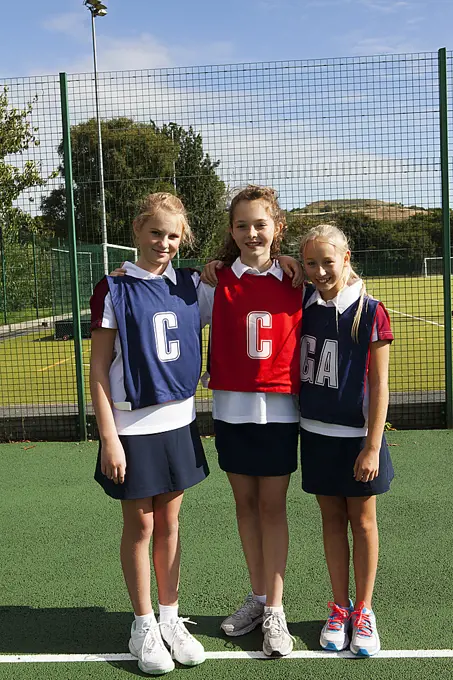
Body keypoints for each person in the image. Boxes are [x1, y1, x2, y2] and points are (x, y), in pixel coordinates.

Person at [90, 193, 209, 675]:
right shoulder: (112, 289)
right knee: (140, 526)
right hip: (131, 426)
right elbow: (99, 369)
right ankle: (142, 625)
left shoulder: (192, 284)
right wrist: (109, 437)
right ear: (137, 230)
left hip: (179, 422)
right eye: (156, 232)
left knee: (171, 525)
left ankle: (170, 618)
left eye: (174, 236)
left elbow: (247, 271)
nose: (164, 243)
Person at [201, 185, 303, 657]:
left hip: (280, 410)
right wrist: (123, 275)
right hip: (231, 410)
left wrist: (301, 265)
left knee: (271, 508)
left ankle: (276, 612)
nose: (250, 233)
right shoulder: (216, 280)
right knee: (245, 507)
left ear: (276, 228)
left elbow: (339, 277)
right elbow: (166, 296)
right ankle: (259, 598)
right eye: (241, 225)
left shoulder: (296, 280)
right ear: (231, 230)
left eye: (260, 224)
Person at [298, 224, 394, 657]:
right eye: (310, 263)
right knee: (331, 521)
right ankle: (339, 607)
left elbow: (380, 385)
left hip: (358, 440)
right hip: (317, 435)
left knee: (364, 522)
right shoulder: (304, 302)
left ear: (347, 257)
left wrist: (372, 445)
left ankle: (365, 611)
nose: (319, 271)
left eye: (327, 262)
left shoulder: (371, 311)